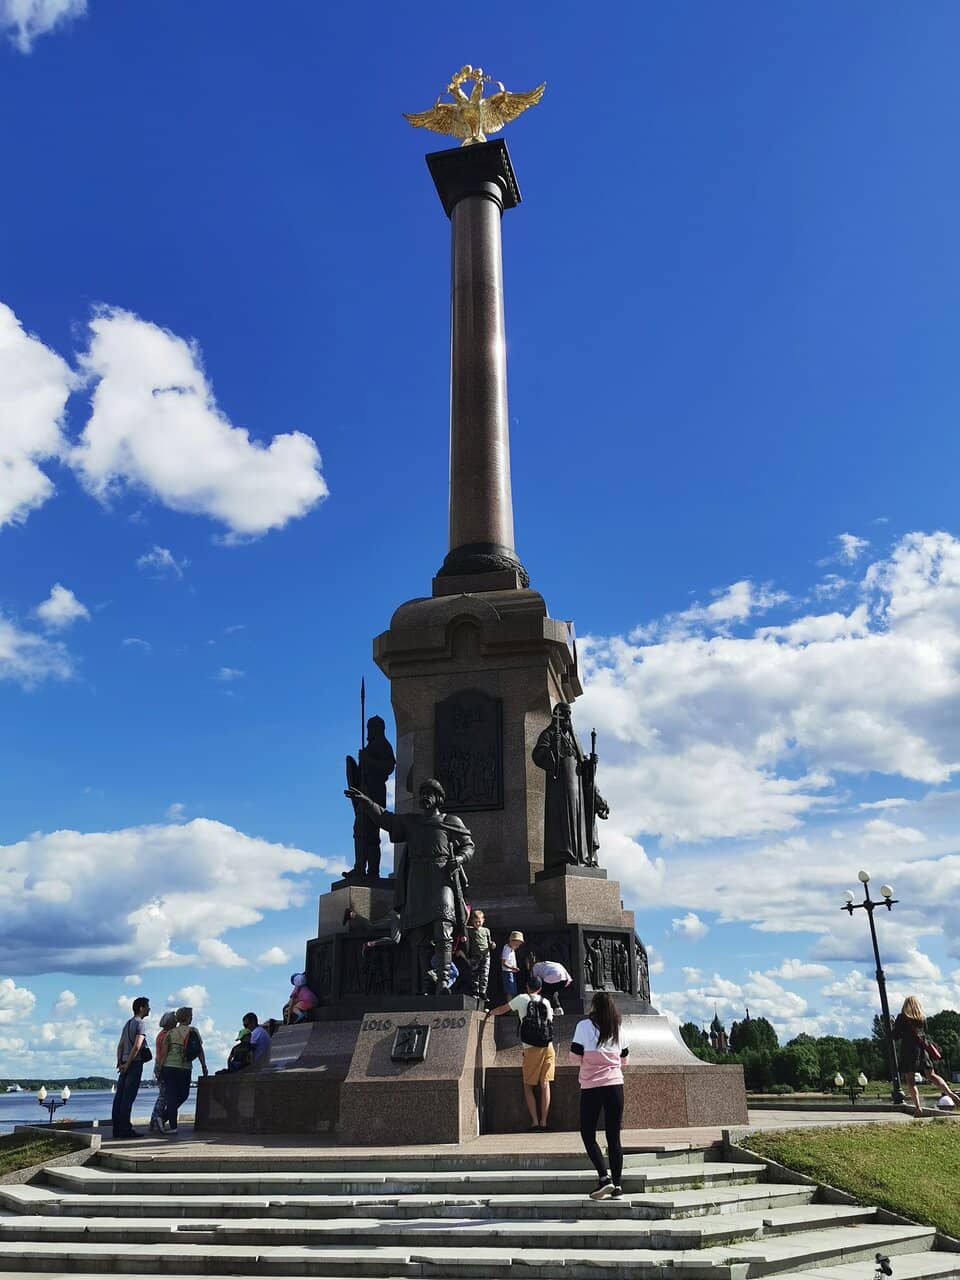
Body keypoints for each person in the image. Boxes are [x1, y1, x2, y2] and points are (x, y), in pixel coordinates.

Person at [345, 777, 473, 993]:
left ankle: (443, 981)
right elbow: (387, 819)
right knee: (419, 935)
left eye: (429, 793)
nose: (424, 797)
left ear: (439, 798)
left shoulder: (450, 821)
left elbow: (468, 845)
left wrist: (459, 859)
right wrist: (366, 802)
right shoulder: (411, 822)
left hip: (441, 876)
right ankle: (424, 983)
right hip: (416, 879)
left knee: (443, 927)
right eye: (422, 793)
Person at [532, 702, 609, 868]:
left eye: (569, 715)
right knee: (564, 821)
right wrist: (552, 750)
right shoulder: (549, 734)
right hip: (561, 787)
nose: (567, 718)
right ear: (557, 715)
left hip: (578, 789)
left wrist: (590, 764)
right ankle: (565, 855)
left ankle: (582, 857)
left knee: (578, 820)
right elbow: (538, 755)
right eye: (564, 714)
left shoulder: (574, 738)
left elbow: (582, 763)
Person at [570, 991, 630, 1199]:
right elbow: (624, 1060)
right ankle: (618, 1185)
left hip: (591, 1087)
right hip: (615, 1086)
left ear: (593, 1007)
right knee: (614, 1137)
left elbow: (574, 1056)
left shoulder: (583, 1026)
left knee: (588, 1133)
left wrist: (590, 1061)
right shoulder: (618, 1029)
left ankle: (604, 1178)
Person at [489, 975, 554, 1130]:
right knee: (545, 1084)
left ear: (527, 986)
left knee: (528, 1085)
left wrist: (490, 1012)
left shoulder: (521, 999)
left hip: (530, 1048)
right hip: (548, 1046)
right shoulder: (546, 1002)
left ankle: (535, 1122)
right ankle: (544, 1122)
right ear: (540, 989)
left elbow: (503, 1009)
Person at [345, 715, 396, 879]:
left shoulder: (383, 745)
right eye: (368, 728)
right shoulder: (370, 746)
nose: (369, 731)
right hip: (364, 794)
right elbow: (360, 775)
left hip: (374, 795)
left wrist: (368, 760)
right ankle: (362, 867)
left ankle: (367, 869)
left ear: (378, 729)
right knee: (363, 830)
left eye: (372, 728)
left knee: (368, 832)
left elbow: (389, 766)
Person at [892, 995, 960, 1117]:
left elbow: (895, 1036)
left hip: (908, 1051)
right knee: (932, 1075)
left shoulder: (902, 1017)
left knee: (911, 1081)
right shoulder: (922, 1018)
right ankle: (950, 1093)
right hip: (923, 1050)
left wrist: (892, 1025)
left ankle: (918, 1107)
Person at [157, 1006, 208, 1133]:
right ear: (187, 1017)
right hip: (185, 1067)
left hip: (169, 1067)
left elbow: (164, 1053)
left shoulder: (170, 1033)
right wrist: (204, 1066)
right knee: (183, 1095)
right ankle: (165, 1119)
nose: (192, 1018)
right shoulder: (193, 1031)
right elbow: (200, 1050)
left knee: (171, 1096)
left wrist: (159, 1068)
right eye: (191, 1016)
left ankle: (168, 1122)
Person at [112, 996, 151, 1139]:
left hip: (123, 1062)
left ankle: (117, 1128)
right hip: (133, 1064)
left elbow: (120, 1045)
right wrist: (128, 1064)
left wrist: (120, 1062)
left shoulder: (127, 1024)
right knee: (128, 1098)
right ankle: (125, 1129)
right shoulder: (140, 1024)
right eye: (147, 1006)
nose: (149, 1009)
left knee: (119, 1098)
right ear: (141, 1008)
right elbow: (137, 1046)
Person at [148, 1011, 177, 1134]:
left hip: (158, 1064)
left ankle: (155, 1119)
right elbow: (165, 1053)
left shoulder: (160, 1034)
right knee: (164, 1095)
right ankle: (156, 1118)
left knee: (162, 1094)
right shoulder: (168, 1035)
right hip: (163, 1065)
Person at [465, 908, 495, 1003]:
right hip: (475, 956)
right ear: (472, 922)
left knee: (484, 974)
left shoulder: (486, 930)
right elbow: (463, 928)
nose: (478, 924)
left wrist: (492, 945)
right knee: (475, 974)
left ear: (483, 920)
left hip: (486, 955)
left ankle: (483, 992)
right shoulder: (469, 930)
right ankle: (475, 991)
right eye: (476, 922)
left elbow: (489, 942)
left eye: (479, 922)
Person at [501, 930, 523, 999]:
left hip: (511, 972)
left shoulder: (511, 949)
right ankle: (510, 1006)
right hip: (507, 972)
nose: (518, 946)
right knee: (510, 991)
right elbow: (503, 963)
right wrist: (512, 968)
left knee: (513, 990)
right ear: (512, 941)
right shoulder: (506, 949)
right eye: (517, 944)